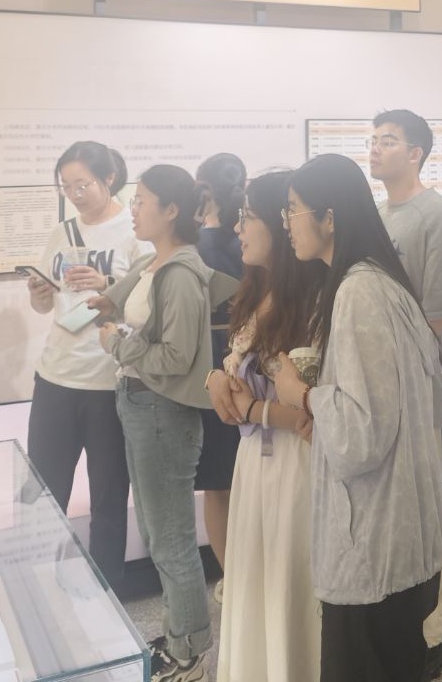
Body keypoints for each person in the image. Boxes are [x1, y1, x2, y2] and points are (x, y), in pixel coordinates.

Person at [274, 153, 442, 682]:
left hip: (373, 540)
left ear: (329, 218)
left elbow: (362, 433)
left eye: (293, 210)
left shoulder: (358, 290)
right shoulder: (377, 281)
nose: (287, 223)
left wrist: (302, 395)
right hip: (394, 535)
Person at [368, 109, 442, 678]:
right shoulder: (378, 214)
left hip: (421, 398)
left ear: (415, 153)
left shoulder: (436, 216)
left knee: (435, 513)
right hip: (382, 396)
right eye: (373, 139)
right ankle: (410, 625)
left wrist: (397, 373)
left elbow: (436, 315)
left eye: (388, 141)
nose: (375, 148)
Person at [92, 164, 217, 682]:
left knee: (170, 538)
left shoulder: (181, 273)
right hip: (140, 404)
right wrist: (104, 304)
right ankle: (179, 634)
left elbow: (177, 356)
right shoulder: (152, 262)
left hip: (163, 411)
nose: (134, 209)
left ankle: (191, 654)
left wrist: (117, 343)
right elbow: (119, 301)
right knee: (155, 531)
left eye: (142, 200)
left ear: (171, 211)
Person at [205, 170, 327, 682]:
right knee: (257, 576)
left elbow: (311, 413)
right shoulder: (256, 290)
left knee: (290, 580)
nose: (238, 228)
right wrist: (216, 377)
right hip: (254, 460)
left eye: (249, 217)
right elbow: (238, 370)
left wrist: (255, 409)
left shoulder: (317, 299)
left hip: (297, 464)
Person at [25, 140, 150, 593]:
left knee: (109, 498)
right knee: (42, 494)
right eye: (67, 186)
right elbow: (47, 305)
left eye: (83, 185)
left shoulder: (135, 233)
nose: (75, 194)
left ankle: (107, 592)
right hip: (55, 377)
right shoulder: (62, 232)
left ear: (109, 179)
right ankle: (40, 586)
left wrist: (108, 283)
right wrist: (39, 295)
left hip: (108, 381)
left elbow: (149, 306)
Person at [192, 153, 246, 605]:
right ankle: (249, 573)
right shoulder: (247, 233)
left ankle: (235, 575)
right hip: (244, 359)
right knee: (242, 475)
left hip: (216, 360)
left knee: (220, 482)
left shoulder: (200, 241)